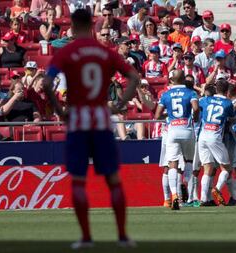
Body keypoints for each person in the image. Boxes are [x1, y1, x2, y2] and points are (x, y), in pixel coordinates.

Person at [42, 9, 139, 249]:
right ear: (93, 25)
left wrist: (60, 110)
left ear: (73, 26)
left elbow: (46, 83)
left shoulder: (66, 52)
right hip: (101, 119)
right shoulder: (106, 52)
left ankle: (86, 237)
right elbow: (134, 78)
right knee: (113, 180)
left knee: (78, 180)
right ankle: (123, 236)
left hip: (77, 121)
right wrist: (118, 106)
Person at [154, 69, 199, 210]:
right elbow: (196, 109)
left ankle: (174, 195)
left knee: (172, 164)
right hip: (187, 129)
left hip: (172, 131)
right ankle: (190, 198)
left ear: (172, 80)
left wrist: (169, 118)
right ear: (183, 79)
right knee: (189, 163)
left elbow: (157, 115)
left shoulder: (166, 94)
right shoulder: (191, 92)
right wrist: (195, 119)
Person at [198, 80, 235, 206]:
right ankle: (217, 189)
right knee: (227, 168)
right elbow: (232, 118)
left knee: (207, 168)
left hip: (202, 136)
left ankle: (204, 199)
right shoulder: (227, 103)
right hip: (215, 136)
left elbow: (198, 106)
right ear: (226, 91)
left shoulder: (205, 100)